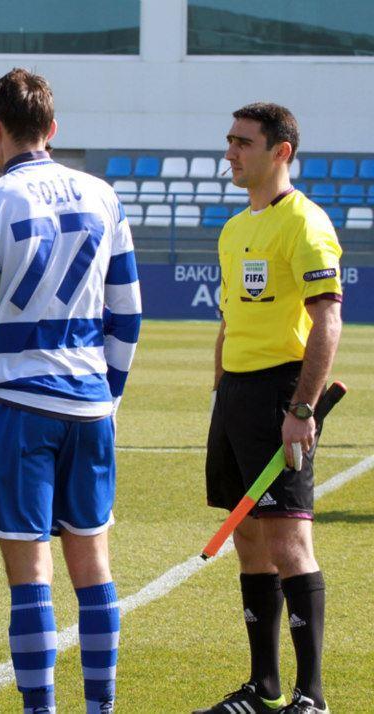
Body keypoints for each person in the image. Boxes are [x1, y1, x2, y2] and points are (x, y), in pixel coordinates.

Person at [0, 69, 141, 714]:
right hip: (89, 402)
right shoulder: (104, 197)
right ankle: (101, 707)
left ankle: (40, 710)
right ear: (52, 128)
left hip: (17, 405)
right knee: (93, 565)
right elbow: (128, 314)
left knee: (29, 573)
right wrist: (108, 395)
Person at [193, 103, 342, 714]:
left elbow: (327, 321)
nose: (230, 152)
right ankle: (264, 687)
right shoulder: (233, 229)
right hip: (235, 398)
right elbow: (230, 319)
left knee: (288, 544)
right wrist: (221, 391)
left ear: (281, 151)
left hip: (282, 393)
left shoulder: (305, 223)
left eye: (243, 142)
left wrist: (301, 410)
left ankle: (312, 696)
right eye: (229, 140)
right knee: (250, 542)